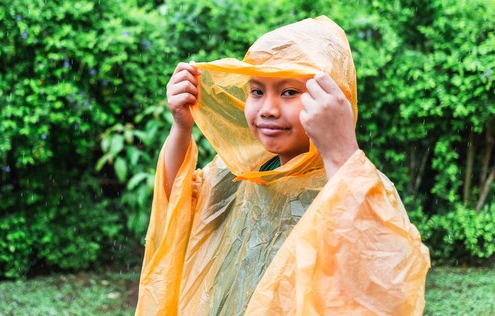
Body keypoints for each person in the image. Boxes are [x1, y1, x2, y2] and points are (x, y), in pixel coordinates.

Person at [136, 16, 430, 315]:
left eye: (289, 92)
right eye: (257, 91)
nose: (268, 110)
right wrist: (181, 128)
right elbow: (177, 208)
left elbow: (378, 286)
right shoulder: (240, 173)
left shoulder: (354, 183)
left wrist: (341, 152)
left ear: (333, 98)